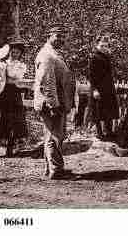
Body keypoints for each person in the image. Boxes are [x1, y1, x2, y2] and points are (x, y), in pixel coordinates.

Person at [33, 26, 75, 179]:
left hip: (56, 101)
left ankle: (51, 168)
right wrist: (53, 105)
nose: (61, 39)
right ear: (49, 36)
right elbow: (47, 82)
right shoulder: (47, 55)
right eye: (58, 36)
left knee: (53, 135)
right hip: (51, 103)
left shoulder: (53, 53)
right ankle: (56, 171)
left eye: (63, 36)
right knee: (54, 136)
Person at [0, 38, 28, 157]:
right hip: (3, 93)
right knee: (0, 117)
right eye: (12, 51)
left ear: (20, 54)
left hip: (14, 93)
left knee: (15, 119)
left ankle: (11, 147)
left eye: (17, 52)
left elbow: (15, 76)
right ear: (9, 52)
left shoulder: (21, 65)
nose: (14, 54)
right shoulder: (1, 63)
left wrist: (7, 72)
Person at [88, 34, 119, 141]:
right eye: (102, 46)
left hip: (108, 88)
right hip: (99, 89)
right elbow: (92, 76)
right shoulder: (94, 57)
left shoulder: (106, 56)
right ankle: (100, 134)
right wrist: (95, 90)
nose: (104, 48)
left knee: (108, 111)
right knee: (99, 111)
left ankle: (109, 132)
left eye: (106, 46)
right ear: (96, 45)